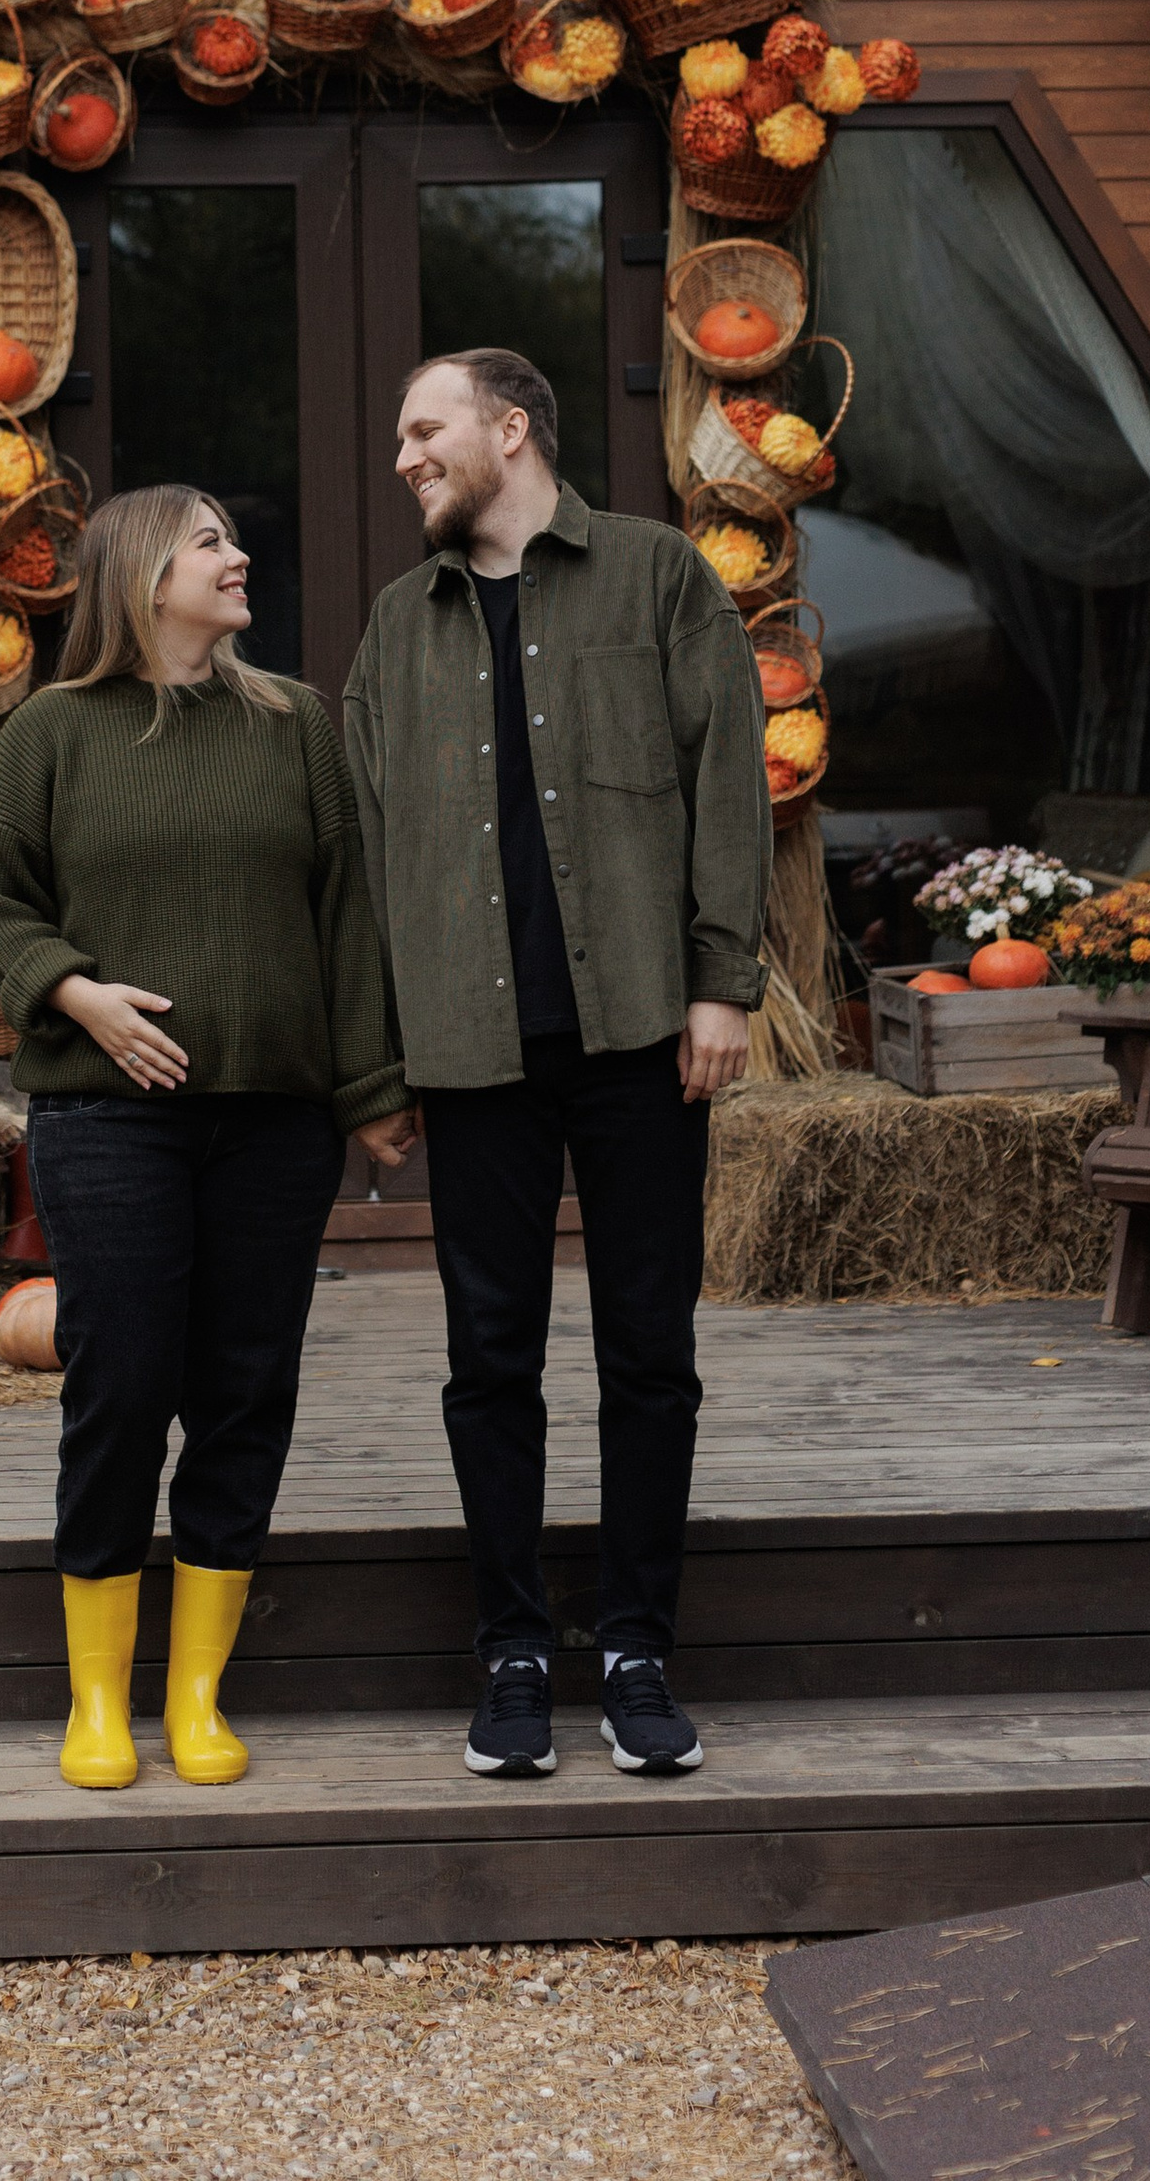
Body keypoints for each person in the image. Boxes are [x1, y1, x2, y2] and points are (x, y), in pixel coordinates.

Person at [344, 347, 768, 1784]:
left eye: (425, 429)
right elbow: (361, 854)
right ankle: (515, 1651)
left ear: (507, 429)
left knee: (653, 1355)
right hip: (469, 1051)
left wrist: (723, 981)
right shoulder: (399, 626)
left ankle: (638, 1649)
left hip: (645, 1034)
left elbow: (729, 780)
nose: (404, 456)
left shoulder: (658, 578)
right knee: (489, 1360)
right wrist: (376, 1063)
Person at [0, 483, 416, 1793]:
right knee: (122, 1382)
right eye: (210, 539)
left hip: (274, 1123)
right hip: (111, 1119)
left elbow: (345, 912)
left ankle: (196, 1695)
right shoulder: (52, 732)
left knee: (245, 1389)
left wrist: (370, 1084)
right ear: (139, 574)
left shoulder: (296, 725)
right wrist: (73, 988)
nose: (239, 555)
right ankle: (96, 1701)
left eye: (233, 536)